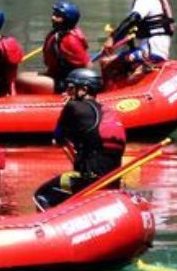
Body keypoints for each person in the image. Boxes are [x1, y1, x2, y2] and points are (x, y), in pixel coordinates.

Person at [33, 69, 127, 210]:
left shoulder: (73, 107)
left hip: (88, 180)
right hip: (112, 182)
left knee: (41, 195)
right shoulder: (107, 111)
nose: (67, 93)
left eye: (71, 88)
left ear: (84, 89)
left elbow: (57, 138)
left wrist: (66, 108)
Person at [101, 0, 176, 82]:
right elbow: (135, 27)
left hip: (151, 51)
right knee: (122, 63)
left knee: (105, 62)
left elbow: (132, 19)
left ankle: (107, 94)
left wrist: (112, 38)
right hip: (157, 49)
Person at [17, 0, 90, 95]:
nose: (53, 17)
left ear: (67, 19)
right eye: (54, 14)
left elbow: (86, 66)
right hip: (55, 75)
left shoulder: (70, 40)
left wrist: (76, 90)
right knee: (22, 76)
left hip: (65, 83)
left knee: (20, 79)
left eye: (57, 16)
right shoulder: (58, 35)